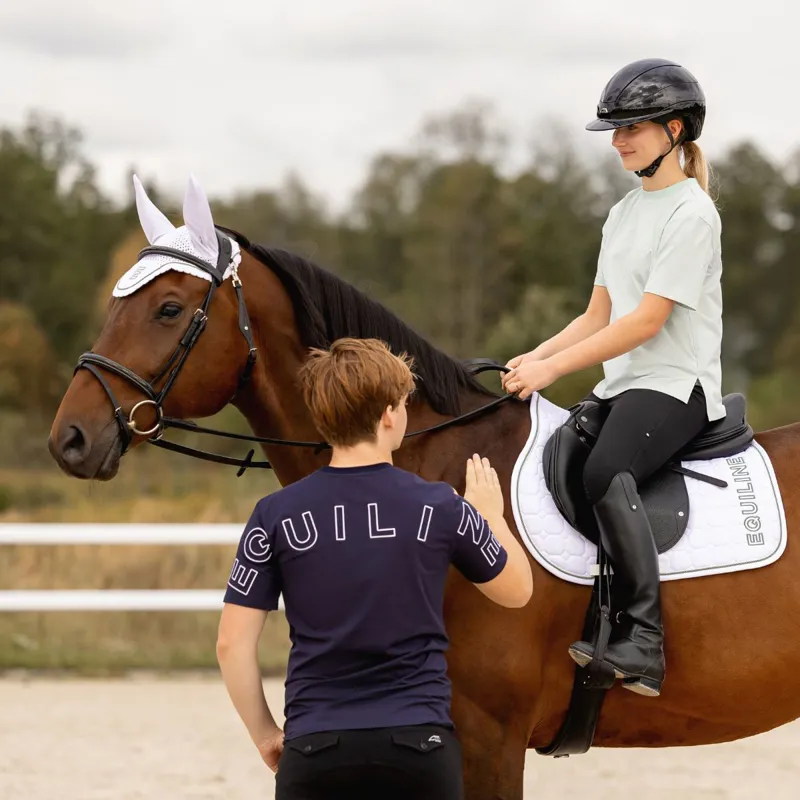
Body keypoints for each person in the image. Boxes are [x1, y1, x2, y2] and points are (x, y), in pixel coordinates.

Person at [216, 337, 533, 799]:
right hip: (418, 746)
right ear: (389, 414)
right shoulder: (439, 505)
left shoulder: (274, 514)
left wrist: (266, 733)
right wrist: (491, 518)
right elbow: (516, 590)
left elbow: (231, 645)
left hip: (316, 747)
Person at [501, 58, 724, 697]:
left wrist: (551, 368)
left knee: (605, 471)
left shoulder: (692, 214)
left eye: (633, 128)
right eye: (616, 130)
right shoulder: (624, 212)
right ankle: (594, 615)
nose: (620, 141)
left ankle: (645, 642)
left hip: (676, 383)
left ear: (675, 131)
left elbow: (647, 321)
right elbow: (598, 313)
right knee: (563, 457)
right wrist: (531, 357)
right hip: (624, 383)